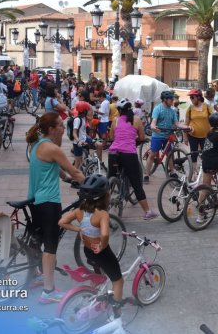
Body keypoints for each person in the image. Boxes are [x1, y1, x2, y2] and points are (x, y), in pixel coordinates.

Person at [26, 112, 85, 303]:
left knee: (38, 240)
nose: (62, 127)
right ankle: (48, 292)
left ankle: (35, 275)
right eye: (60, 125)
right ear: (51, 129)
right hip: (48, 202)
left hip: (34, 200)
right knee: (50, 247)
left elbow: (53, 168)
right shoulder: (53, 148)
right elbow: (74, 170)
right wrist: (91, 183)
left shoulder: (36, 145)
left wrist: (65, 179)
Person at [58, 174, 124, 317]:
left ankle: (95, 294)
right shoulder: (102, 214)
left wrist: (79, 229)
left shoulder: (79, 210)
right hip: (101, 253)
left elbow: (61, 222)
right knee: (118, 281)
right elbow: (105, 234)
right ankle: (116, 314)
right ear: (104, 196)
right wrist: (102, 245)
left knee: (99, 273)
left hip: (88, 251)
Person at [108, 98, 158, 219]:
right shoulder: (136, 120)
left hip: (113, 153)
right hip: (129, 154)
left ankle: (102, 208)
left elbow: (112, 136)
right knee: (136, 183)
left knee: (109, 180)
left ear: (119, 111)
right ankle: (147, 212)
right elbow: (141, 137)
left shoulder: (115, 120)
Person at [143, 91, 191, 183]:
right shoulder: (158, 109)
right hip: (157, 136)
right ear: (165, 100)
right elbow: (153, 122)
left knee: (170, 154)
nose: (173, 101)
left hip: (168, 136)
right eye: (171, 99)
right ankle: (146, 174)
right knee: (153, 154)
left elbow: (177, 124)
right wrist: (153, 127)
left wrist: (187, 127)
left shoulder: (172, 111)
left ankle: (172, 172)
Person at [185, 89, 213, 181]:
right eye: (190, 97)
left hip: (206, 135)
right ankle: (194, 172)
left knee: (206, 154)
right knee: (194, 154)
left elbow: (213, 120)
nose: (191, 99)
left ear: (199, 97)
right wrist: (185, 137)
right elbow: (186, 123)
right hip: (192, 135)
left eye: (192, 97)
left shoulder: (207, 107)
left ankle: (206, 172)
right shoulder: (190, 109)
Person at [72, 101, 94, 170]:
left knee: (98, 145)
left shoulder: (84, 117)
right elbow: (74, 133)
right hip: (78, 143)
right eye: (86, 110)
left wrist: (91, 110)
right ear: (84, 111)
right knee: (77, 163)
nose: (87, 111)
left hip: (85, 139)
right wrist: (78, 141)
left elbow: (90, 118)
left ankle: (97, 164)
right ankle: (73, 178)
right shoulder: (77, 120)